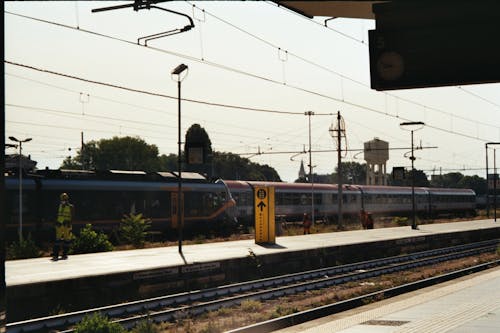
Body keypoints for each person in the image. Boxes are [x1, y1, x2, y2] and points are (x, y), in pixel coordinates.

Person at [52, 192, 74, 260]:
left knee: (66, 240)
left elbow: (72, 216)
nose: (63, 200)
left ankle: (64, 254)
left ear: (67, 199)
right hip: (59, 225)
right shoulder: (58, 206)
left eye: (65, 199)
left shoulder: (71, 207)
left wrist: (69, 222)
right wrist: (55, 222)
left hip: (67, 225)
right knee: (57, 240)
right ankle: (56, 254)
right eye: (62, 199)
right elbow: (55, 215)